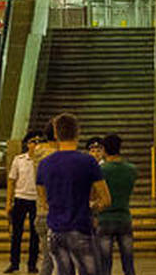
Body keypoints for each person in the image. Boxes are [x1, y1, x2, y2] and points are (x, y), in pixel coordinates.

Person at [36, 113, 110, 275]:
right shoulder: (89, 162)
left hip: (55, 231)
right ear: (78, 133)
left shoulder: (44, 164)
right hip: (80, 228)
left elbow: (43, 201)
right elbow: (105, 199)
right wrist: (91, 208)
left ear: (56, 134)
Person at [96, 134, 137, 275]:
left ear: (104, 150)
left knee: (104, 264)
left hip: (104, 219)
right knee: (128, 262)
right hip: (124, 218)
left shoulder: (100, 170)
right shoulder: (131, 169)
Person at [4, 130, 43, 273]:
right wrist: (8, 202)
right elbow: (11, 181)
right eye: (33, 142)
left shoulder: (43, 160)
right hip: (20, 198)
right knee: (17, 233)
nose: (36, 145)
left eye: (39, 142)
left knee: (35, 234)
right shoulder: (19, 159)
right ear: (28, 144)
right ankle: (14, 263)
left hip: (36, 200)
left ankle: (32, 264)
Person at [33, 125, 56, 275]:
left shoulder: (37, 152)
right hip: (57, 213)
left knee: (47, 258)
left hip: (41, 211)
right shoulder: (57, 155)